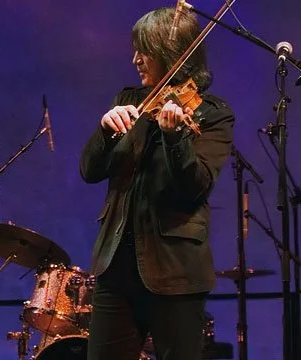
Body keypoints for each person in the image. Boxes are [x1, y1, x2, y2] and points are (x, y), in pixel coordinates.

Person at [79, 7, 234, 360]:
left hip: (176, 273)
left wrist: (175, 138)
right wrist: (104, 132)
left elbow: (194, 186)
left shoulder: (212, 114)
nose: (135, 59)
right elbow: (90, 171)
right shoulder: (129, 101)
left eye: (144, 50)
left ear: (174, 54)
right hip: (115, 267)